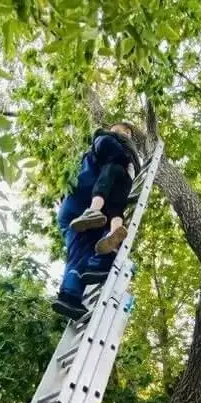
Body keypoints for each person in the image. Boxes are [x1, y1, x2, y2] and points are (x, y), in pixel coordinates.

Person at [53, 123, 141, 321]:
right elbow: (113, 159)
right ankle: (100, 257)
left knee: (81, 253)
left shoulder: (95, 153)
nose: (126, 134)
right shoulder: (105, 140)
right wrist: (129, 165)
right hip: (86, 203)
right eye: (122, 130)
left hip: (78, 213)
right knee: (116, 178)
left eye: (128, 133)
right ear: (111, 128)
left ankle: (70, 296)